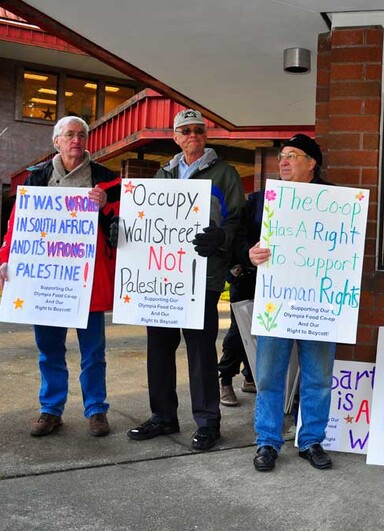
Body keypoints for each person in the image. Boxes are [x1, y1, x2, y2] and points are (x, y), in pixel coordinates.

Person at [126, 109, 244, 451]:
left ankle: (208, 422)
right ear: (175, 137)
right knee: (158, 349)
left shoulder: (225, 174)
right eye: (185, 130)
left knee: (200, 353)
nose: (192, 134)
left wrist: (221, 236)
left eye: (198, 130)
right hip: (160, 278)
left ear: (204, 136)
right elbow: (144, 219)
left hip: (201, 279)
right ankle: (163, 416)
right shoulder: (162, 173)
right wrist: (124, 227)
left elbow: (236, 222)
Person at [0, 116, 121, 438]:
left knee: (93, 352)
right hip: (45, 282)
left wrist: (107, 206)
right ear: (57, 141)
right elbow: (17, 225)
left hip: (88, 281)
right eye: (69, 135)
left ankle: (96, 410)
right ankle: (51, 410)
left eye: (81, 134)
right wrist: (5, 260)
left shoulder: (108, 180)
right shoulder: (37, 178)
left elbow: (123, 230)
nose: (76, 140)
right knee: (49, 350)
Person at [247, 134, 336, 472]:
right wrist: (250, 252)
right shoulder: (262, 201)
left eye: (292, 156)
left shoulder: (336, 203)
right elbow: (241, 238)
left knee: (318, 376)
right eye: (281, 156)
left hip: (319, 305)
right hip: (277, 302)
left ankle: (311, 440)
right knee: (269, 376)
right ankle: (267, 442)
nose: (282, 162)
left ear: (312, 162)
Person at [217, 261, 257, 407]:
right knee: (239, 333)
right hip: (243, 276)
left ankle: (250, 377)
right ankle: (226, 381)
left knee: (258, 332)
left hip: (269, 278)